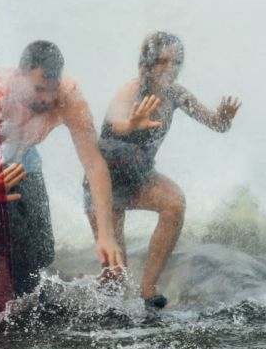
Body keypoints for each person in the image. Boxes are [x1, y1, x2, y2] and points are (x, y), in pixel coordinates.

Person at [0, 40, 125, 296]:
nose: (47, 98)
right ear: (19, 77)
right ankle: (23, 311)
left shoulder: (69, 99)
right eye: (38, 89)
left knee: (44, 249)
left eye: (52, 88)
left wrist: (106, 234)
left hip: (24, 158)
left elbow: (94, 165)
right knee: (19, 246)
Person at [84, 32, 241, 309]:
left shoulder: (176, 94)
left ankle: (148, 289)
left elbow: (215, 124)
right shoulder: (131, 90)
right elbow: (117, 122)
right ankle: (88, 313)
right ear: (146, 63)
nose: (169, 68)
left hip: (140, 176)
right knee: (114, 280)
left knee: (174, 203)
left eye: (176, 62)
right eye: (161, 61)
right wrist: (132, 123)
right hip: (105, 181)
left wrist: (224, 119)